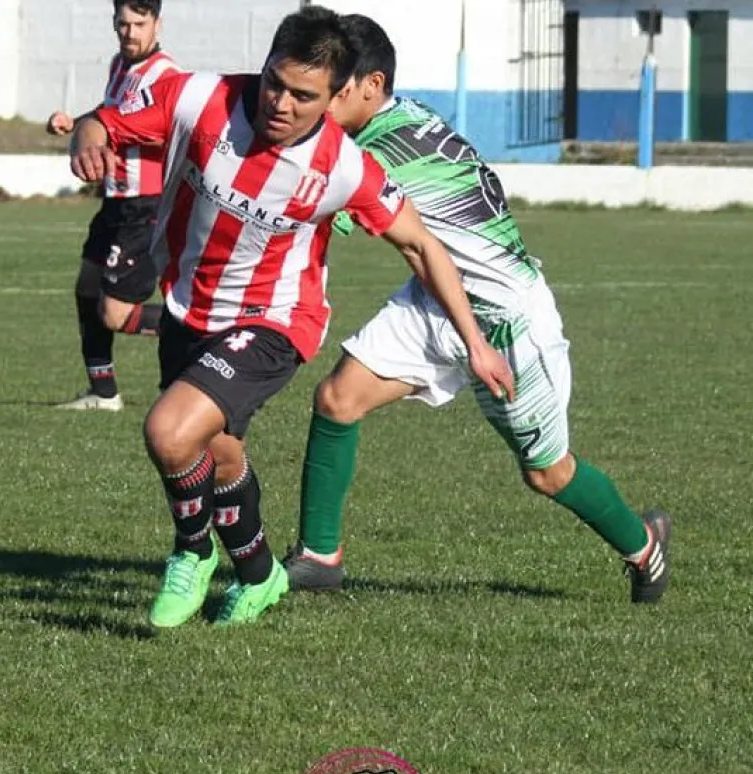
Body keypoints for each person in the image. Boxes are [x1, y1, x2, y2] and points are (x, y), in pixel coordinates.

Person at [70, 5, 513, 627]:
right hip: (188, 308)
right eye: (274, 81)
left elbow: (421, 246)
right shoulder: (203, 98)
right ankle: (259, 575)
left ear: (334, 96)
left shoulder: (344, 167)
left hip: (276, 320)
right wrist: (89, 134)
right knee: (219, 455)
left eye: (304, 95)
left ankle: (192, 553)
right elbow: (103, 122)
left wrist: (476, 343)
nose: (280, 102)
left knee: (170, 433)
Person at [283, 14, 671, 604]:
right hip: (438, 300)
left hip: (507, 317)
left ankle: (644, 547)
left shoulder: (383, 146)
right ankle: (319, 557)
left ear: (373, 85)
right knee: (338, 398)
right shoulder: (397, 122)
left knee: (547, 473)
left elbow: (311, 199)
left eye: (336, 89)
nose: (324, 101)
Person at [47, 0, 180, 411]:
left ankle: (199, 328)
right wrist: (79, 122)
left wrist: (110, 133)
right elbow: (109, 115)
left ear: (157, 23)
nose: (130, 33)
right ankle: (103, 393)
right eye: (123, 24)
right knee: (87, 286)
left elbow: (165, 132)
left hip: (147, 204)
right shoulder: (119, 67)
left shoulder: (165, 76)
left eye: (139, 24)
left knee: (115, 314)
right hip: (117, 199)